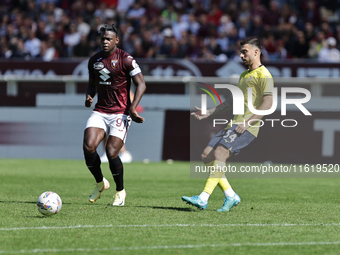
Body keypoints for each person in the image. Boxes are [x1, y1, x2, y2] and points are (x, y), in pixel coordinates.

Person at [182, 38, 274, 212]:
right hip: (234, 124)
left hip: (246, 126)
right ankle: (231, 195)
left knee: (220, 153)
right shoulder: (244, 75)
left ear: (256, 52)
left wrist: (247, 123)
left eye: (244, 52)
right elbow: (233, 101)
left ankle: (203, 197)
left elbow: (268, 104)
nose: (241, 55)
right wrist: (209, 111)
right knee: (206, 156)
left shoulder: (264, 75)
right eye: (241, 52)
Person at [83, 24, 146, 206]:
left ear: (116, 40)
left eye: (108, 39)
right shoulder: (94, 60)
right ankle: (100, 183)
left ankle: (120, 191)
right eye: (103, 38)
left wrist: (133, 108)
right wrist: (89, 95)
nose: (105, 41)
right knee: (88, 147)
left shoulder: (126, 59)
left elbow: (141, 84)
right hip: (100, 110)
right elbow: (91, 83)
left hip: (121, 112)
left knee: (111, 152)